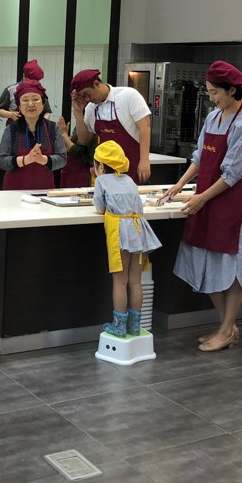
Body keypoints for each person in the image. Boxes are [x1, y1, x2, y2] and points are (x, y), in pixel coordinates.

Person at [159, 61, 242, 352]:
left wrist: (202, 197)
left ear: (232, 91)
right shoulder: (214, 117)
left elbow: (232, 174)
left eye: (215, 92)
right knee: (204, 261)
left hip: (229, 201)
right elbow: (200, 157)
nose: (211, 97)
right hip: (205, 195)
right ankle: (227, 327)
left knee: (230, 265)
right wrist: (181, 184)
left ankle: (226, 330)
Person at [93, 141, 162, 337]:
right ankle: (134, 325)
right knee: (135, 282)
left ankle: (119, 326)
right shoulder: (130, 180)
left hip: (120, 234)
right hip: (139, 232)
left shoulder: (101, 181)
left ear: (101, 167)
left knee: (120, 281)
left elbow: (99, 208)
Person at [71, 68, 152, 184]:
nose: (87, 99)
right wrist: (78, 112)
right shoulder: (91, 109)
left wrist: (144, 160)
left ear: (96, 84)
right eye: (82, 97)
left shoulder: (128, 96)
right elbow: (84, 140)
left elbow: (144, 127)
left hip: (134, 165)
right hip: (106, 172)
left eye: (87, 94)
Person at [0, 80, 66, 190]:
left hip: (44, 191)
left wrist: (43, 159)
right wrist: (26, 159)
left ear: (43, 104)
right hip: (14, 191)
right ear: (19, 106)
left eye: (35, 99)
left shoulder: (53, 128)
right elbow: (2, 161)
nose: (30, 104)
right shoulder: (11, 129)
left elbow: (62, 158)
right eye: (25, 100)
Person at [57, 99, 98, 189]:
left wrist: (64, 134)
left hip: (81, 171)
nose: (73, 108)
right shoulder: (80, 123)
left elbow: (77, 150)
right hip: (70, 169)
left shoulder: (89, 123)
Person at [0, 59, 50, 124]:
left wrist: (42, 124)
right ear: (24, 76)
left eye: (36, 81)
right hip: (14, 127)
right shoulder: (11, 90)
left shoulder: (40, 91)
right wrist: (11, 114)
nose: (32, 83)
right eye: (29, 80)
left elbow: (47, 111)